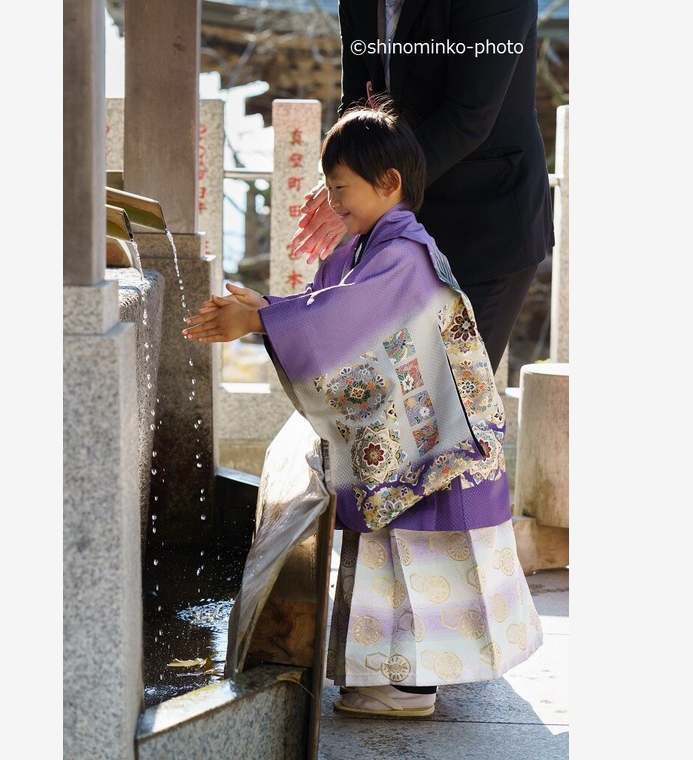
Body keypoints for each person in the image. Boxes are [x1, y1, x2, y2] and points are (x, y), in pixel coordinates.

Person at [183, 106, 542, 717]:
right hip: (420, 434)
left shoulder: (401, 254)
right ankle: (403, 675)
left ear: (390, 183)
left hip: (430, 443)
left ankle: (408, 682)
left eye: (341, 190)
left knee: (416, 554)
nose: (334, 203)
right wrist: (267, 311)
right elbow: (333, 312)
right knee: (404, 557)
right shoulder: (382, 246)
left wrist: (260, 320)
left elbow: (338, 324)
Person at [291, 0, 555, 376]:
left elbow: (468, 117)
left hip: (485, 227)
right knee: (389, 405)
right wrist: (341, 180)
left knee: (453, 409)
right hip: (398, 232)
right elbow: (358, 102)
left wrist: (368, 187)